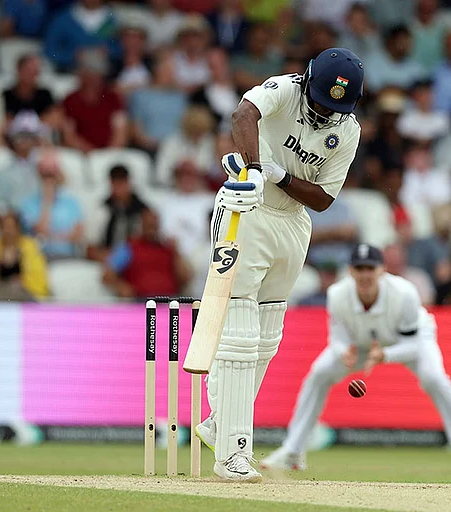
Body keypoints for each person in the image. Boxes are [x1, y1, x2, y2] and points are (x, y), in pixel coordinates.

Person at [193, 48, 364, 482]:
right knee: (241, 332)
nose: (325, 113)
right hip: (248, 206)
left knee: (268, 337)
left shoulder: (348, 131)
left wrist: (279, 175)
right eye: (320, 102)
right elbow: (243, 115)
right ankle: (232, 454)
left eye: (335, 108)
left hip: (293, 222)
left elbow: (323, 199)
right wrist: (254, 171)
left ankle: (219, 423)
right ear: (307, 81)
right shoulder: (285, 90)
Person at [259, 244, 451, 474]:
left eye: (370, 268)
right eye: (359, 268)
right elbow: (338, 339)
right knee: (320, 373)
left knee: (434, 378)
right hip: (362, 346)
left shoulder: (404, 293)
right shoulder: (337, 294)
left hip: (408, 342)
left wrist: (385, 355)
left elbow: (414, 344)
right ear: (350, 271)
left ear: (382, 270)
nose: (365, 275)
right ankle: (293, 452)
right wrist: (343, 353)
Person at [0, 212, 49, 299]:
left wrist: (23, 282)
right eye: (4, 227)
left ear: (18, 228)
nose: (7, 231)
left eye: (10, 227)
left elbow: (38, 276)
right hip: (1, 295)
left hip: (26, 295)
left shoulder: (30, 247)